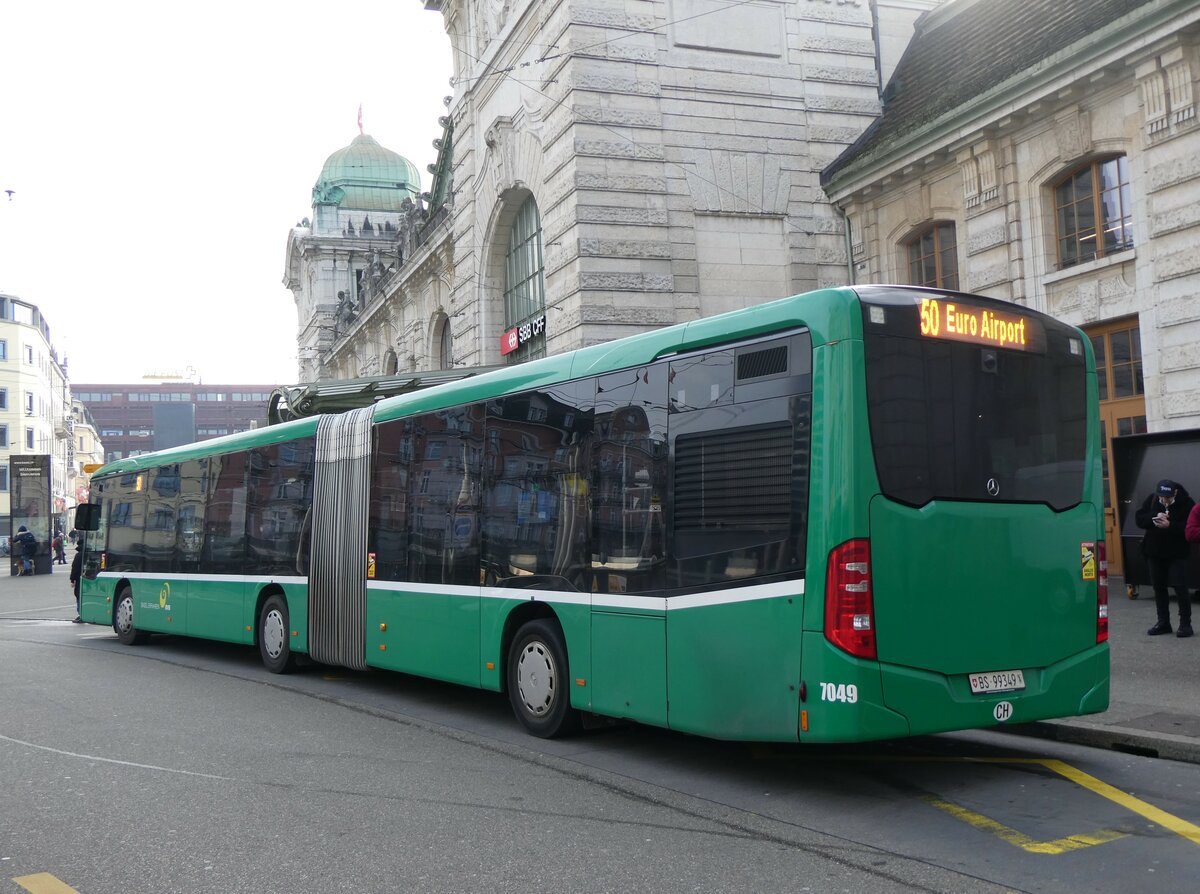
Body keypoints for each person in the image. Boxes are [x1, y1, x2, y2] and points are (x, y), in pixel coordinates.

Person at [1135, 479, 1194, 637]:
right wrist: (1154, 517)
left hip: (1176, 554)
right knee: (1158, 587)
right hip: (1154, 552)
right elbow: (1139, 519)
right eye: (1162, 497)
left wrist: (1170, 525)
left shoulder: (1187, 503)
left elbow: (1190, 528)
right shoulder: (1152, 499)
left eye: (1168, 497)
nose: (1164, 500)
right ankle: (1163, 623)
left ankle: (1185, 624)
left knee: (1180, 587)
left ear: (1175, 493)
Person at [69, 541, 84, 623]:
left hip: (79, 578)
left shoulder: (78, 555)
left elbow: (74, 568)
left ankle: (81, 614)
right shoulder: (88, 554)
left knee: (79, 595)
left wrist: (72, 579)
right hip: (89, 576)